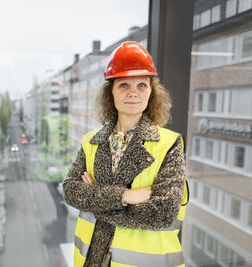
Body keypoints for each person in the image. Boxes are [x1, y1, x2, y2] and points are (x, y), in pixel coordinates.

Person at [62, 41, 188, 267]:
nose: (133, 93)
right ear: (111, 92)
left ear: (151, 92)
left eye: (142, 85)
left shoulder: (169, 144)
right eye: (123, 85)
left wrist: (96, 198)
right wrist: (126, 196)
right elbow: (71, 192)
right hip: (93, 260)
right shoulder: (92, 142)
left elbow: (163, 213)